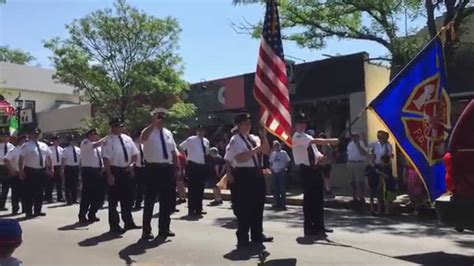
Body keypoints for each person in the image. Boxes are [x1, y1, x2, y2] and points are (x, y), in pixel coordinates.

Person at [224, 113, 272, 248]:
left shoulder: (255, 138)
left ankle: (257, 234)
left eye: (249, 123)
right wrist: (256, 149)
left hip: (256, 173)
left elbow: (266, 151)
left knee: (258, 205)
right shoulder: (235, 140)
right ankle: (243, 237)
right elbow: (239, 158)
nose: (248, 125)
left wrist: (264, 137)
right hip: (243, 175)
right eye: (245, 123)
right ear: (239, 126)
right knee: (244, 207)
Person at [292, 113, 339, 238]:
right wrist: (331, 140)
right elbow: (314, 141)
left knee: (318, 198)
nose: (302, 125)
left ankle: (320, 226)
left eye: (303, 123)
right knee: (309, 200)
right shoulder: (296, 137)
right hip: (306, 170)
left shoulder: (307, 136)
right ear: (295, 125)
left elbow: (316, 152)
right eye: (299, 123)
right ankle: (309, 228)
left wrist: (320, 158)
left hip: (315, 169)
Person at [141, 110, 178, 240]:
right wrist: (153, 124)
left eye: (163, 117)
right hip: (153, 168)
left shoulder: (168, 133)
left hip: (166, 169)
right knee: (150, 200)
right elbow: (143, 138)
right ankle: (146, 230)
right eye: (159, 117)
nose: (161, 119)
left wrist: (176, 167)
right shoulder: (148, 131)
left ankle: (164, 228)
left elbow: (173, 151)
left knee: (166, 201)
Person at [102, 118, 140, 233]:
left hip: (126, 170)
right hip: (114, 170)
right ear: (112, 128)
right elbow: (106, 158)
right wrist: (109, 174)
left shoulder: (127, 139)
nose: (119, 128)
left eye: (120, 126)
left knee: (127, 199)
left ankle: (128, 222)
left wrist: (132, 165)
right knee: (113, 201)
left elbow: (135, 154)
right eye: (116, 126)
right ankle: (114, 225)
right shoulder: (108, 140)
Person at [19, 127, 53, 219]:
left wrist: (51, 168)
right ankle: (28, 211)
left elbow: (48, 157)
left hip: (41, 171)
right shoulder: (26, 146)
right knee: (29, 192)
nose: (36, 136)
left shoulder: (44, 145)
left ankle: (37, 210)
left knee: (40, 192)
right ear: (30, 135)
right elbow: (21, 158)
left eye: (37, 134)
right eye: (34, 134)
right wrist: (21, 171)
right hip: (30, 170)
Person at [179, 125, 210, 217]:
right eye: (199, 130)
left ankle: (199, 208)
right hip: (193, 165)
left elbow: (206, 153)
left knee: (200, 188)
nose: (201, 132)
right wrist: (185, 157)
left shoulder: (206, 141)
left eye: (203, 131)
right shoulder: (191, 139)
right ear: (197, 131)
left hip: (202, 166)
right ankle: (191, 209)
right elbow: (181, 147)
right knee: (192, 188)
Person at [78, 128, 106, 224]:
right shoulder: (85, 142)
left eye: (97, 134)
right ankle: (82, 215)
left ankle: (92, 213)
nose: (96, 136)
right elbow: (95, 145)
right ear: (89, 135)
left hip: (98, 170)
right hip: (88, 171)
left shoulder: (99, 146)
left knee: (99, 194)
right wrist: (107, 137)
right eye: (94, 134)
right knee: (87, 194)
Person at [4, 135, 28, 215]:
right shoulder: (14, 150)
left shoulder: (27, 149)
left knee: (25, 192)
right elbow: (6, 160)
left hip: (26, 173)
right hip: (16, 174)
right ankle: (15, 209)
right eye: (25, 140)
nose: (26, 142)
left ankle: (25, 208)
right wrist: (12, 170)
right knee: (16, 193)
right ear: (20, 141)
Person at [268, 140, 291, 210]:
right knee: (275, 188)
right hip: (274, 172)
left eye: (277, 145)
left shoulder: (283, 153)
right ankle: (277, 203)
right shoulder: (273, 153)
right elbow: (271, 162)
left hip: (281, 171)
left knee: (282, 188)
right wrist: (271, 169)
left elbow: (288, 161)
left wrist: (283, 168)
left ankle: (283, 204)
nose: (276, 147)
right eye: (275, 146)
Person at [346, 132, 368, 203]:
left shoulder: (361, 143)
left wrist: (358, 145)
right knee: (352, 182)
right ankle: (354, 196)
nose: (354, 138)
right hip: (350, 163)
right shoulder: (350, 144)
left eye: (356, 136)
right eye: (353, 137)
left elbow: (364, 153)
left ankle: (361, 196)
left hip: (358, 163)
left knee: (359, 181)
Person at [61, 135, 81, 205]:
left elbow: (80, 160)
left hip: (76, 167)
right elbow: (63, 160)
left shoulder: (78, 149)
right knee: (68, 184)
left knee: (75, 184)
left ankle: (74, 199)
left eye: (74, 141)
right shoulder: (65, 150)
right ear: (69, 142)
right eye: (71, 141)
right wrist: (62, 169)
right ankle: (69, 200)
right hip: (68, 167)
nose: (73, 142)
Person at [0, 130, 15, 211]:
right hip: (0, 167)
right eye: (3, 136)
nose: (5, 138)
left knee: (5, 188)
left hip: (7, 168)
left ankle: (2, 205)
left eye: (6, 136)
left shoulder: (12, 146)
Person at [46, 135, 64, 203]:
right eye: (55, 141)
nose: (57, 142)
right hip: (52, 166)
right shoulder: (49, 149)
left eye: (58, 141)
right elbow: (46, 159)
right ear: (52, 141)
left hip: (59, 167)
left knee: (59, 183)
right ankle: (49, 198)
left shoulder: (61, 149)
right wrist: (48, 168)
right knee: (50, 184)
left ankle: (60, 197)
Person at [317, 132, 335, 198]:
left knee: (325, 177)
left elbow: (326, 154)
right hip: (327, 162)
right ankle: (327, 189)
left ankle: (327, 189)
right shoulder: (326, 145)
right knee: (326, 177)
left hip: (326, 163)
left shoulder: (325, 145)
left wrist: (321, 160)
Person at [132, 133, 145, 211]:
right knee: (133, 187)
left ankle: (138, 203)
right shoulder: (132, 145)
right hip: (135, 168)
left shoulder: (143, 146)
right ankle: (131, 202)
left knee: (141, 187)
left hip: (143, 168)